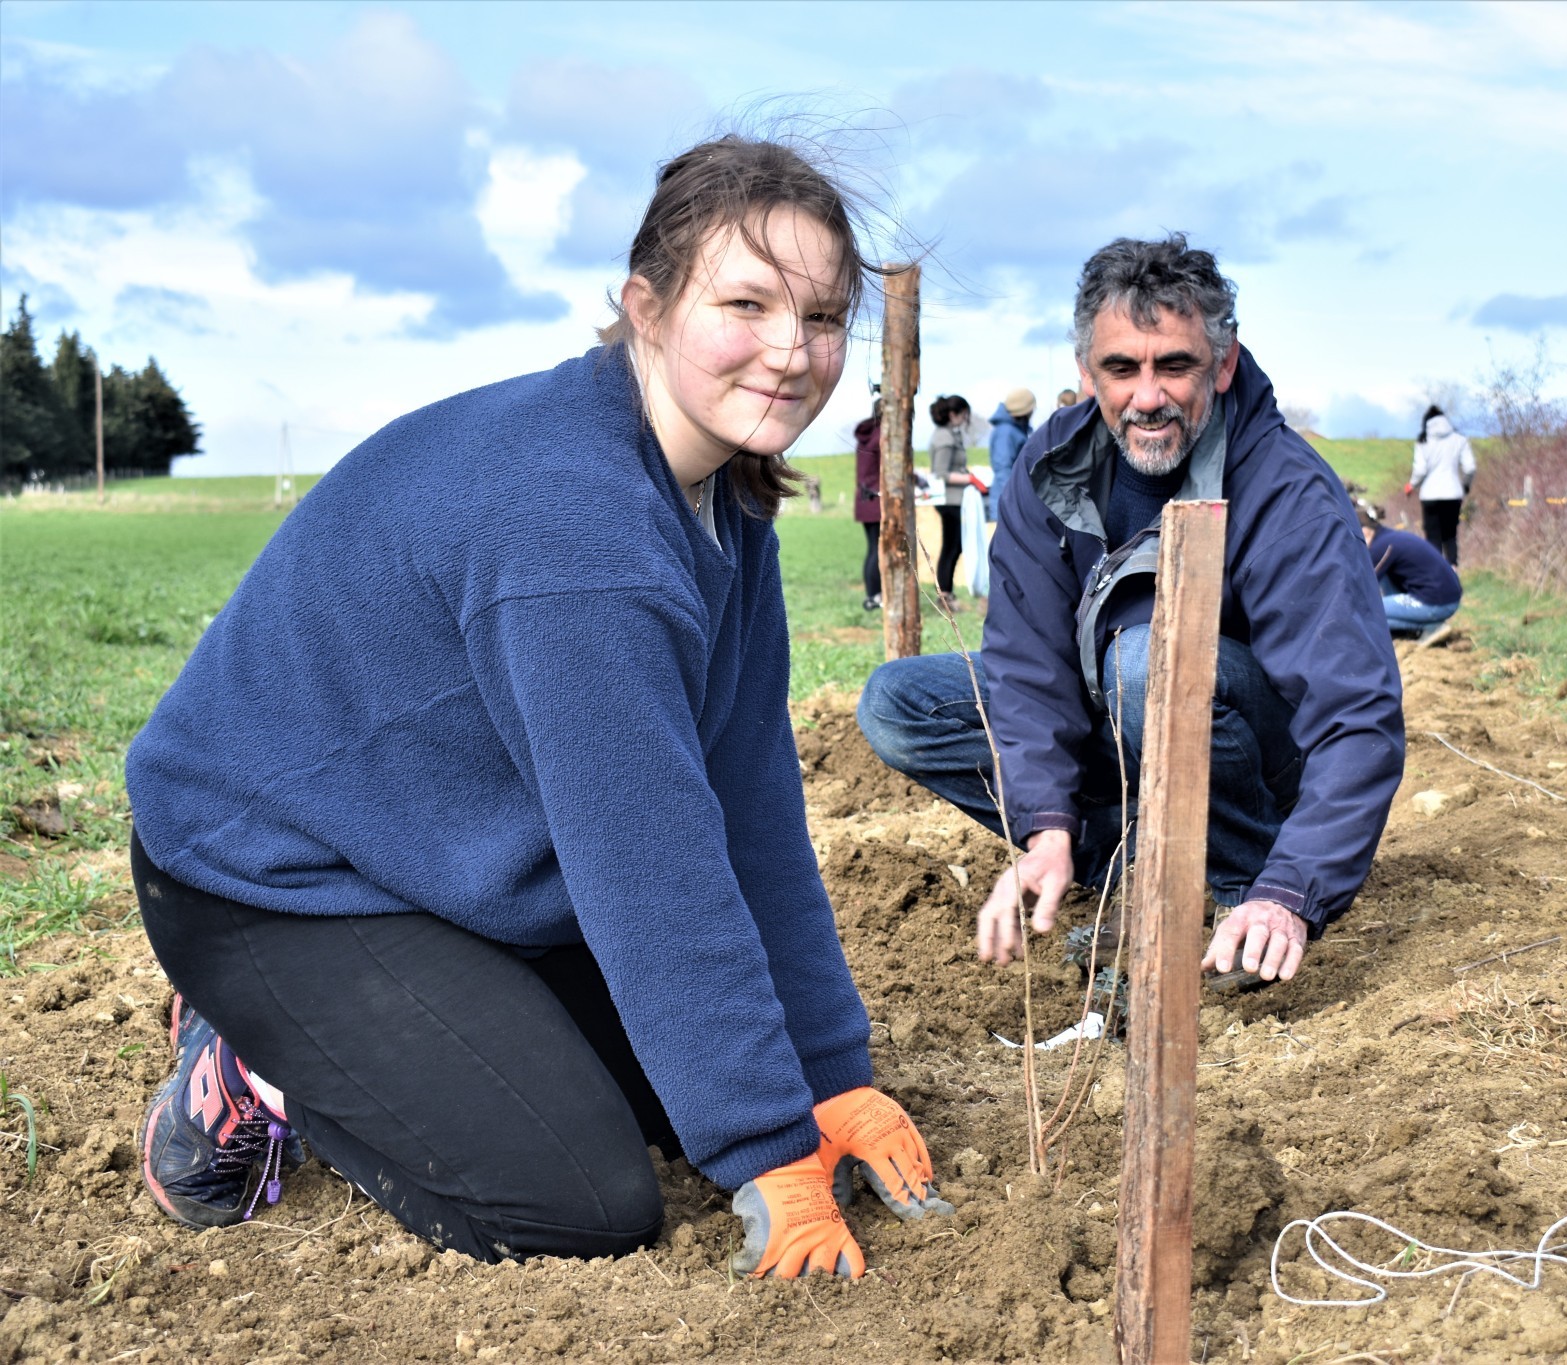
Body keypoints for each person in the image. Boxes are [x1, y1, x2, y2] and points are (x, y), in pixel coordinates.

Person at [125, 134, 951, 1280]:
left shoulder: (719, 495)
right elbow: (646, 857)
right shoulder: (577, 531)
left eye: (818, 319)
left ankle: (361, 1022)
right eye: (746, 303)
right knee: (577, 1201)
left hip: (433, 847)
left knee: (692, 1086)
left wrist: (826, 1075)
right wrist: (765, 1146)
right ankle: (257, 1057)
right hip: (270, 869)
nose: (788, 351)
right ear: (646, 307)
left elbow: (748, 805)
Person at [857, 234, 1404, 985]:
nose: (1148, 396)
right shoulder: (1054, 465)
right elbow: (1027, 664)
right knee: (899, 703)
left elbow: (1356, 716)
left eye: (1175, 365)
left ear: (1224, 363)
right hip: (1123, 730)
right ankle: (1126, 854)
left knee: (1144, 659)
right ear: (1087, 373)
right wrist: (1046, 826)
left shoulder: (1285, 491)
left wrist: (1294, 888)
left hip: (1255, 764)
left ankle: (1241, 883)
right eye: (1123, 368)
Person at [1358, 501, 1461, 638]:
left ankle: (1430, 627)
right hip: (1444, 597)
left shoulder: (1381, 547)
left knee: (1365, 612)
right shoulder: (1389, 538)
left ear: (1364, 531)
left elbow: (1362, 585)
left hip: (1436, 602)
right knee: (1385, 580)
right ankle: (1416, 626)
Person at [1405, 403, 1475, 566]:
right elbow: (1470, 467)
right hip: (1453, 494)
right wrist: (1465, 485)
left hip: (1430, 495)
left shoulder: (1423, 441)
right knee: (1450, 536)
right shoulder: (1460, 439)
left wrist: (1411, 485)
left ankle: (1435, 575)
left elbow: (1420, 470)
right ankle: (1453, 572)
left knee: (1433, 536)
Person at [927, 394, 975, 610]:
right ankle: (945, 595)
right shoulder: (944, 438)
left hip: (955, 498)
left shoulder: (948, 435)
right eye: (964, 415)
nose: (965, 419)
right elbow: (941, 473)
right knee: (951, 546)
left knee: (955, 545)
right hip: (948, 499)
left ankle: (946, 592)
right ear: (953, 414)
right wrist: (970, 479)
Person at [985, 386, 1034, 516]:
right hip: (1008, 502)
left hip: (1012, 496)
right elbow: (1003, 468)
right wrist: (1014, 502)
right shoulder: (1006, 432)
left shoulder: (1015, 429)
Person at [855, 395, 882, 610]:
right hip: (876, 497)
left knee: (873, 547)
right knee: (877, 548)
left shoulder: (868, 434)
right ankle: (875, 596)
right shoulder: (882, 436)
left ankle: (874, 594)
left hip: (866, 498)